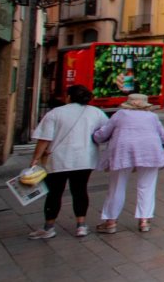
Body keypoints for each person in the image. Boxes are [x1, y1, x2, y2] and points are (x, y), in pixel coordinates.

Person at [27, 84, 108, 239]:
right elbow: (105, 132)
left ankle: (49, 227)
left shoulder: (55, 113)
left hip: (58, 159)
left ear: (69, 97)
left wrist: (36, 158)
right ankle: (81, 225)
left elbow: (44, 139)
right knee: (80, 190)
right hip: (85, 158)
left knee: (54, 193)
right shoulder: (96, 113)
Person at [93, 93, 164, 234]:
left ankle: (111, 221)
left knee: (117, 185)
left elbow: (103, 134)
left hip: (123, 152)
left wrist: (95, 136)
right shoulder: (152, 117)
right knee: (147, 186)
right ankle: (144, 220)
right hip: (150, 152)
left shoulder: (120, 114)